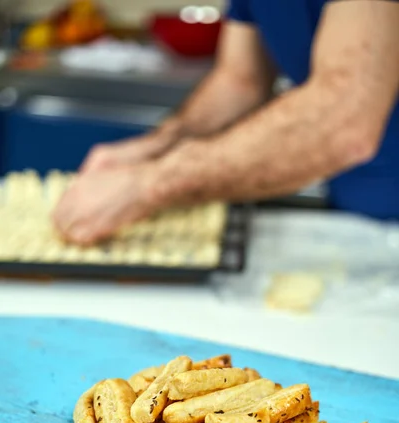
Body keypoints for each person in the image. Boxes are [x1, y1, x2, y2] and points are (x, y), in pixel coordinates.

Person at [53, 0, 399, 246]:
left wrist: (144, 187)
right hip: (357, 219)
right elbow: (239, 82)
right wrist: (154, 148)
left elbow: (346, 120)